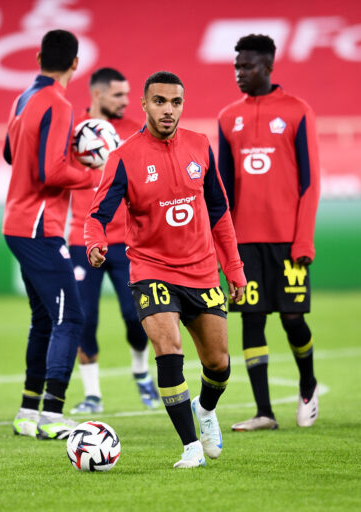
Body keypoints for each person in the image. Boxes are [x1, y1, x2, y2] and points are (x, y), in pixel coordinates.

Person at [85, 71, 246, 468]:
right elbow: (96, 215)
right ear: (144, 104)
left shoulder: (200, 147)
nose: (168, 110)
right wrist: (95, 242)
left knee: (218, 363)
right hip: (151, 270)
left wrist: (235, 269)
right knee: (169, 350)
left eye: (175, 102)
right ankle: (190, 447)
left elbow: (220, 213)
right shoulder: (124, 157)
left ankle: (205, 410)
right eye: (159, 101)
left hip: (203, 271)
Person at [217, 34, 321, 431]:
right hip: (245, 243)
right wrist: (225, 248)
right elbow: (222, 192)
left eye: (248, 66)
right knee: (252, 319)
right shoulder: (228, 117)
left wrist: (304, 238)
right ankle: (264, 412)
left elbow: (310, 183)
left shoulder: (297, 112)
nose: (240, 74)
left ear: (269, 66)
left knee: (293, 319)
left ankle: (307, 383)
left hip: (288, 240)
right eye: (237, 67)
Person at [3, 29, 101, 440]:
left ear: (39, 57)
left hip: (17, 221)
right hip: (40, 226)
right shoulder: (59, 104)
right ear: (76, 63)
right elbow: (51, 172)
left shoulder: (22, 98)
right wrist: (94, 172)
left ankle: (28, 412)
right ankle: (53, 414)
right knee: (71, 317)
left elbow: (10, 154)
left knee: (44, 318)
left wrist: (65, 156)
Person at [67, 67, 160, 414]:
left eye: (127, 94)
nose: (126, 101)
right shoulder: (73, 132)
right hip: (82, 239)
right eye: (118, 95)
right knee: (84, 318)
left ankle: (140, 372)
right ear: (98, 94)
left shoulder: (136, 131)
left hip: (127, 241)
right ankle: (92, 395)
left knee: (135, 316)